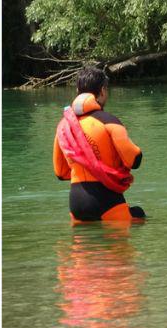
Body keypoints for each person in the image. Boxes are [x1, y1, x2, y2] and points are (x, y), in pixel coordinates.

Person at [52, 64, 145, 223]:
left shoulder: (63, 126)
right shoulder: (109, 121)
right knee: (139, 217)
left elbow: (60, 172)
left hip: (76, 203)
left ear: (77, 92)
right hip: (107, 199)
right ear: (102, 91)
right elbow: (134, 159)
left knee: (83, 246)